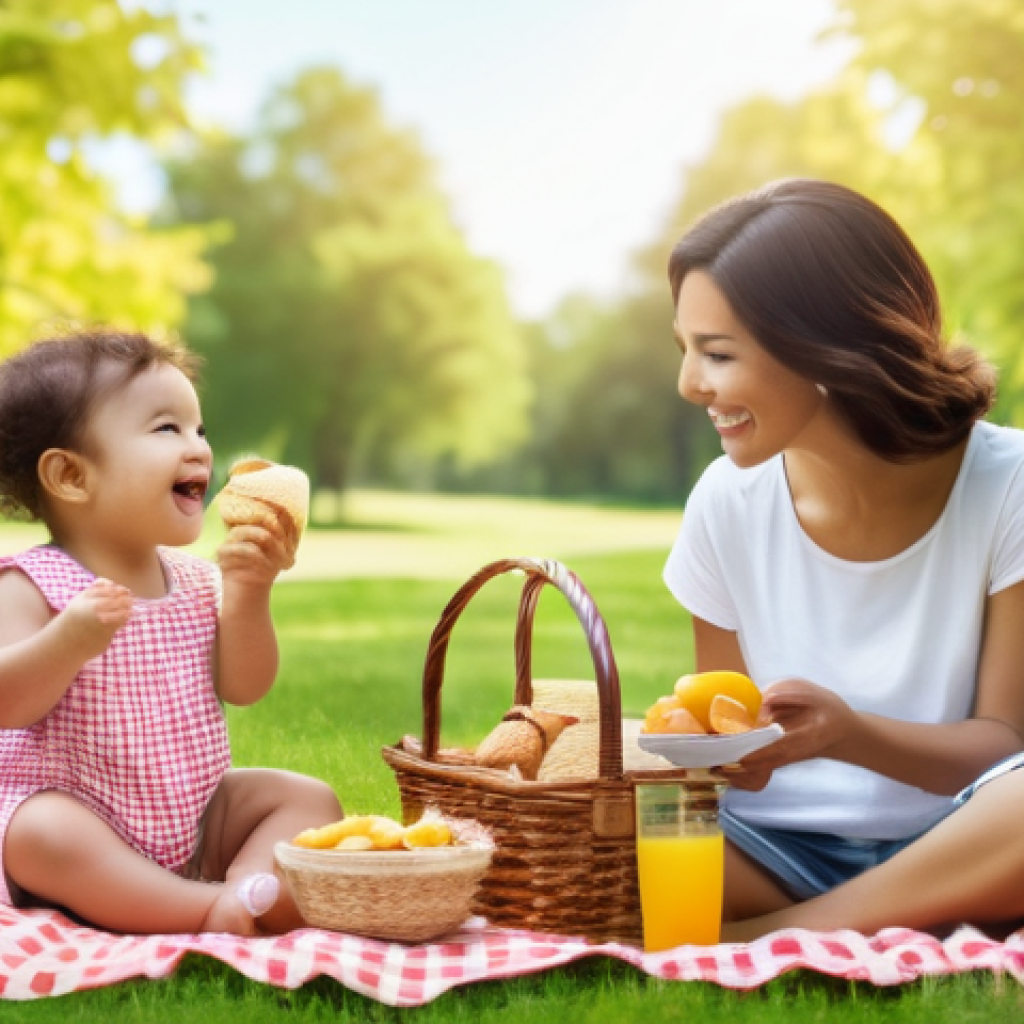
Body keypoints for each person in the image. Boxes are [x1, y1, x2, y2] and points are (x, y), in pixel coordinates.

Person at [662, 178, 1024, 940]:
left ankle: (773, 937)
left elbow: (1004, 745)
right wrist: (727, 754)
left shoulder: (1008, 484)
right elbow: (720, 734)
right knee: (604, 820)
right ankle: (871, 922)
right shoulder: (725, 501)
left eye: (717, 353)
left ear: (823, 345)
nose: (690, 384)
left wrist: (850, 734)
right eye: (686, 350)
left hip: (957, 838)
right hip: (765, 850)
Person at [0, 329, 342, 935]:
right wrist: (67, 642)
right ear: (71, 475)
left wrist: (250, 591)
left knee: (308, 798)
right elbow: (8, 702)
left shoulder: (195, 580)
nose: (199, 449)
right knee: (40, 832)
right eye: (167, 429)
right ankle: (206, 910)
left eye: (199, 429)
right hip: (85, 824)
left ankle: (246, 890)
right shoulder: (32, 584)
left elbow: (244, 686)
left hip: (194, 814)